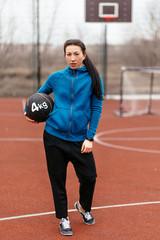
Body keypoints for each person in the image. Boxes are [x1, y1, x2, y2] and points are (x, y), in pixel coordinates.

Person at [24, 39, 103, 236]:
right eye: (69, 54)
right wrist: (31, 115)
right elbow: (38, 98)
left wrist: (90, 137)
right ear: (65, 56)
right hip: (54, 137)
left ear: (84, 55)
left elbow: (96, 108)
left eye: (76, 53)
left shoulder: (93, 78)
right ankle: (64, 218)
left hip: (79, 139)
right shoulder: (56, 77)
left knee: (89, 177)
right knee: (57, 179)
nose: (73, 58)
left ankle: (83, 207)